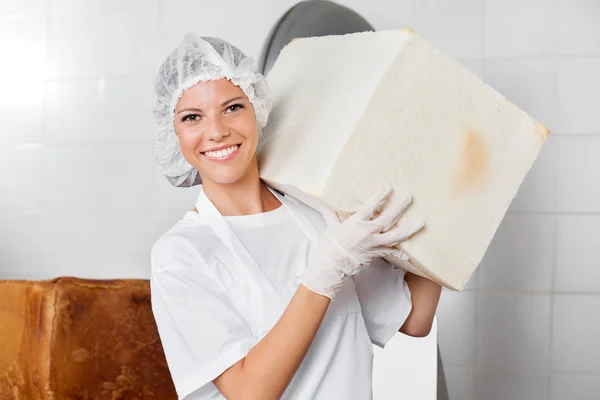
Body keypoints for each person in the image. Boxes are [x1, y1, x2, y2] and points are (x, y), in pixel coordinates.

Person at [149, 34, 442, 400]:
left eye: (233, 107)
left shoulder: (318, 216)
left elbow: (414, 320)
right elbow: (247, 393)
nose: (217, 131)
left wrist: (437, 192)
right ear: (172, 132)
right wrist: (326, 271)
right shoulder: (181, 254)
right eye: (192, 117)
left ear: (256, 109)